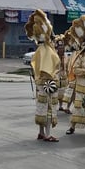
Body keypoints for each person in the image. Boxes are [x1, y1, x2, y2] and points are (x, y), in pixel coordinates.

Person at [25, 10, 60, 142]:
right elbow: (47, 69)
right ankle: (47, 134)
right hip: (47, 84)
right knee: (48, 110)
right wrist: (51, 81)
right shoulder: (46, 50)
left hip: (41, 84)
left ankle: (41, 132)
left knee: (41, 108)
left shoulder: (41, 50)